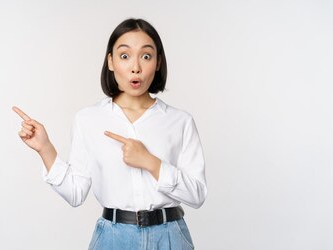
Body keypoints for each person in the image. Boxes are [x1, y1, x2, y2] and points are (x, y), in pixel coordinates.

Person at [12, 18, 207, 250]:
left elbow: (197, 195)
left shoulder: (180, 121)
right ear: (111, 61)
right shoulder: (88, 119)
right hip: (113, 238)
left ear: (157, 62)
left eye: (146, 56)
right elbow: (75, 194)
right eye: (125, 56)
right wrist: (45, 149)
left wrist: (151, 163)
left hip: (169, 237)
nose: (136, 67)